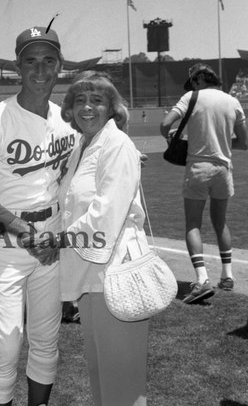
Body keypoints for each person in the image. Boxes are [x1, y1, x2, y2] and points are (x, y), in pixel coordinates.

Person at [0, 26, 75, 406]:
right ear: (17, 66)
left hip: (53, 239)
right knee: (7, 347)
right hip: (9, 242)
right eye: (31, 60)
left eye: (48, 60)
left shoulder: (67, 121)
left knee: (46, 341)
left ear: (60, 65)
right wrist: (27, 232)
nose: (40, 69)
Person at [57, 72, 149, 406]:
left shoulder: (117, 144)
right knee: (101, 374)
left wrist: (59, 240)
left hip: (116, 272)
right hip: (90, 276)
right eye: (79, 100)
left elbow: (106, 213)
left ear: (112, 107)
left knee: (122, 382)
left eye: (97, 100)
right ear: (69, 108)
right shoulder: (81, 147)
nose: (87, 107)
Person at [160, 63, 248, 304]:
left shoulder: (191, 96)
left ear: (199, 79)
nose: (192, 86)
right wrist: (217, 140)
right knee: (220, 223)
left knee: (193, 224)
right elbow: (242, 143)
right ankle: (227, 277)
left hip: (198, 168)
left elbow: (165, 125)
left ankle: (201, 280)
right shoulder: (232, 101)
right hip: (223, 169)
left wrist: (178, 137)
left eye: (193, 81)